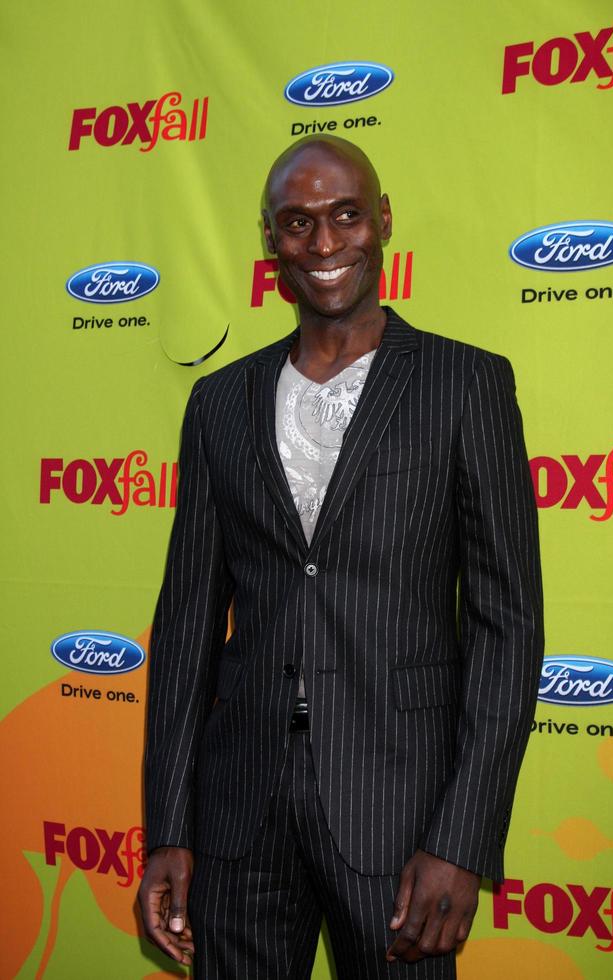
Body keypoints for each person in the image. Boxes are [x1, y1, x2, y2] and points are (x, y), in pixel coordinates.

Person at [138, 135, 544, 978]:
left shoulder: (466, 385)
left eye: (345, 216)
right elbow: (185, 627)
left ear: (383, 221)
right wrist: (171, 827)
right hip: (238, 816)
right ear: (270, 241)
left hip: (402, 819)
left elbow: (507, 628)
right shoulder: (219, 403)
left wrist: (461, 838)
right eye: (297, 223)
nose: (324, 245)